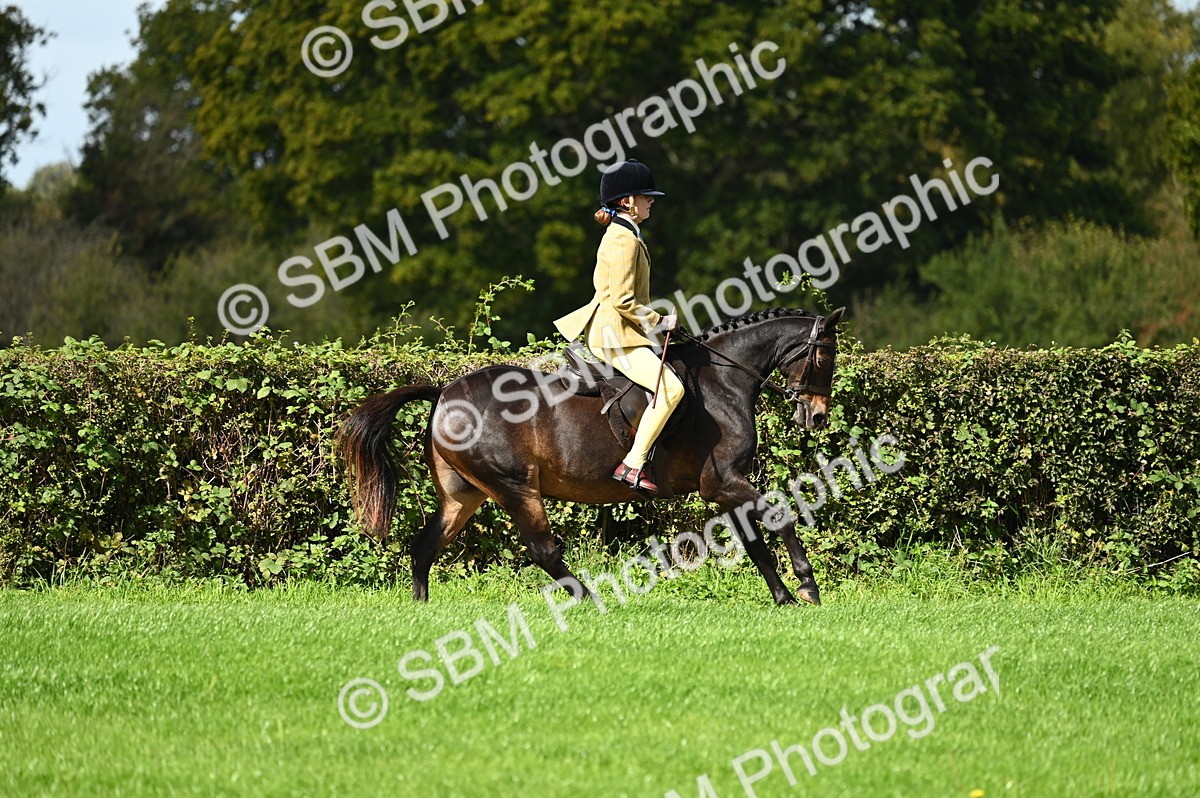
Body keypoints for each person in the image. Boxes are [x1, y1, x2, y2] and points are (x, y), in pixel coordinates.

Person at [553, 158, 684, 495]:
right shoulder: (623, 239)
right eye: (646, 196)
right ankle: (634, 463)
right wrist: (659, 321)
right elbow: (624, 301)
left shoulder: (626, 233)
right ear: (627, 201)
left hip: (620, 331)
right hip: (614, 336)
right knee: (671, 389)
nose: (651, 200)